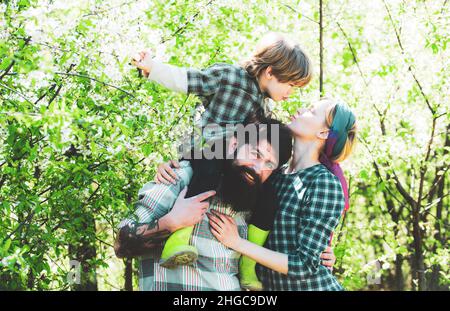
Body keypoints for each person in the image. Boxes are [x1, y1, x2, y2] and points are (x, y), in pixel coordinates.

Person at [131, 32, 313, 290]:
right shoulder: (229, 77)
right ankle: (178, 240)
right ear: (271, 72)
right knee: (209, 169)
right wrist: (152, 67)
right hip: (205, 154)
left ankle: (248, 266)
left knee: (269, 194)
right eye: (291, 85)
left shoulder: (263, 108)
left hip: (229, 167)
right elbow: (190, 79)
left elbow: (271, 157)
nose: (291, 93)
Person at [115, 119, 328, 290]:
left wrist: (324, 254)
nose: (257, 168)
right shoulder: (182, 179)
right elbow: (120, 243)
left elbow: (291, 257)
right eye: (255, 154)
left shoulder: (255, 206)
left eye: (269, 164)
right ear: (234, 145)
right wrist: (172, 222)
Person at [207, 99, 357, 290]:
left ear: (323, 132)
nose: (301, 109)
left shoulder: (324, 183)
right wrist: (178, 168)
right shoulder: (274, 173)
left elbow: (304, 265)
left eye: (311, 111)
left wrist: (238, 243)